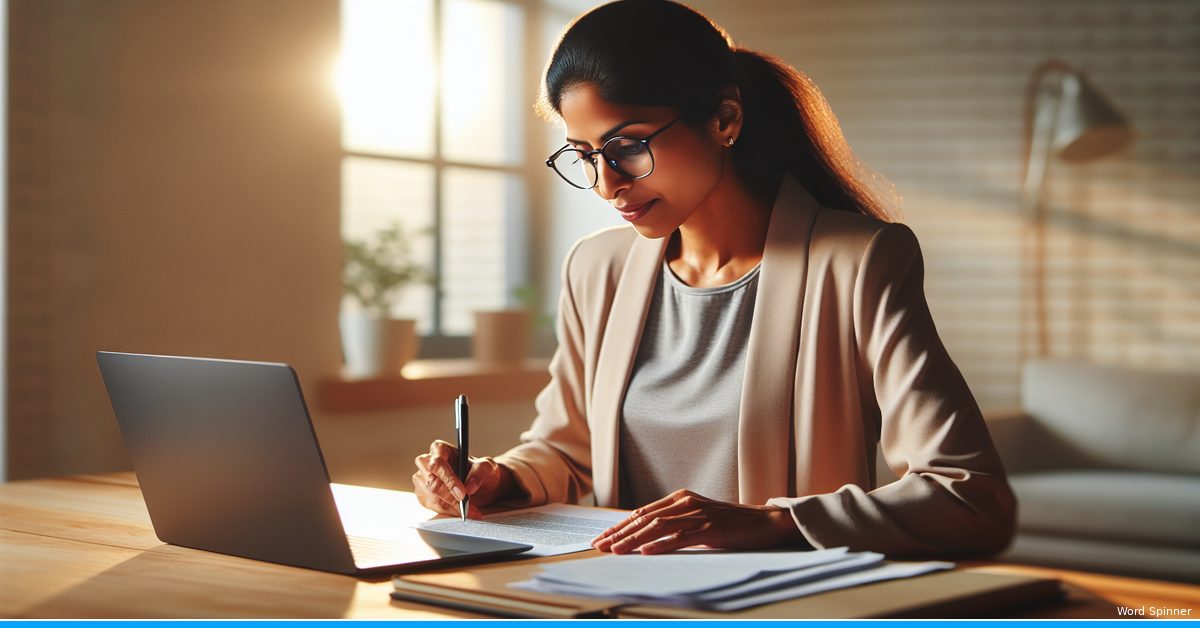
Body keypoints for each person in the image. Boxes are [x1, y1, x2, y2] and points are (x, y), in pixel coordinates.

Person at [413, 0, 1015, 558]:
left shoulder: (858, 262)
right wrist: (501, 479)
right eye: (585, 154)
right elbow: (569, 452)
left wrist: (776, 522)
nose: (606, 183)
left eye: (627, 145)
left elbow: (970, 497)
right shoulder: (597, 269)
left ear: (725, 118)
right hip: (609, 596)